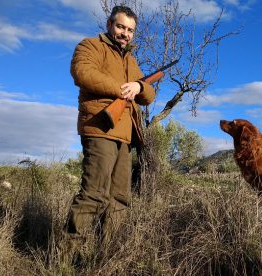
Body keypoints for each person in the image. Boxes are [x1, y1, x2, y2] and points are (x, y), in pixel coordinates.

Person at [65, 5, 155, 243]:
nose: (125, 33)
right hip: (100, 128)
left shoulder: (130, 60)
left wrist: (139, 86)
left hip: (125, 136)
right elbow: (82, 72)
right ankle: (66, 255)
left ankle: (108, 252)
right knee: (94, 193)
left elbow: (149, 96)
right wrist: (122, 89)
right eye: (121, 26)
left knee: (120, 198)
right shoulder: (90, 46)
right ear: (109, 25)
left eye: (130, 30)